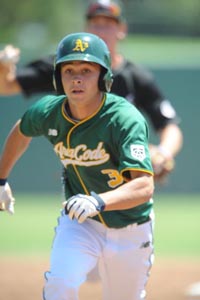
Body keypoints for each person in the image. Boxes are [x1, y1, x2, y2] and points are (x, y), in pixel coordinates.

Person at [0, 32, 154, 300]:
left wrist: (98, 201)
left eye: (86, 69)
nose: (77, 78)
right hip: (82, 223)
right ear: (58, 77)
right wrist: (1, 179)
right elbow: (22, 130)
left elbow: (143, 186)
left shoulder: (124, 118)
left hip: (131, 227)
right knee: (61, 283)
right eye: (68, 70)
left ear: (103, 76)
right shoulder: (49, 111)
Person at [0, 0, 183, 184]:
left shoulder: (135, 77)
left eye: (108, 24)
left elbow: (170, 126)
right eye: (95, 24)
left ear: (122, 29)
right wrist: (3, 68)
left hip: (123, 173)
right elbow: (6, 86)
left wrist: (162, 153)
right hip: (83, 168)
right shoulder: (63, 66)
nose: (101, 31)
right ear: (86, 28)